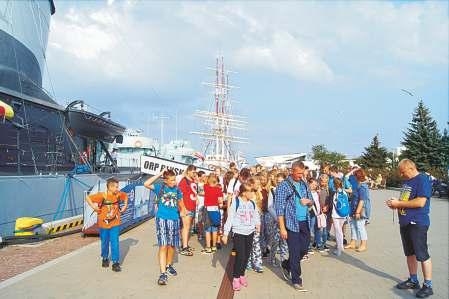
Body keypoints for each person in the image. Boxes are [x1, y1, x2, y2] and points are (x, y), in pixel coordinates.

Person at [386, 159, 434, 298]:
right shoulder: (407, 181)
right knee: (410, 253)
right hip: (405, 223)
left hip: (417, 223)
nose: (401, 175)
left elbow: (420, 202)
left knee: (422, 254)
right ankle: (413, 280)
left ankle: (428, 285)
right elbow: (406, 200)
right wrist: (395, 202)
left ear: (411, 168)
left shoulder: (422, 179)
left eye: (403, 172)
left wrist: (399, 203)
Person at [275, 161, 313, 291]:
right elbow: (279, 209)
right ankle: (296, 280)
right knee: (295, 251)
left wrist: (308, 202)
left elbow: (311, 202)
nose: (301, 176)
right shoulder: (284, 186)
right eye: (298, 173)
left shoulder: (304, 184)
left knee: (304, 249)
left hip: (304, 222)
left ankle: (286, 264)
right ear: (292, 171)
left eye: (302, 173)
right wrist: (282, 228)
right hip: (291, 223)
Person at [144, 170, 186, 285]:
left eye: (174, 179)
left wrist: (183, 211)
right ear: (165, 180)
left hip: (174, 219)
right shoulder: (160, 188)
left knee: (171, 245)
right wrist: (160, 174)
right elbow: (146, 184)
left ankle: (168, 265)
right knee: (163, 245)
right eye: (172, 180)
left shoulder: (177, 190)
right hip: (162, 219)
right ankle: (163, 274)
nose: (174, 182)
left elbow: (181, 204)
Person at [222, 183, 261, 291]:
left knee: (247, 255)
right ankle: (235, 277)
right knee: (241, 256)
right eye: (251, 191)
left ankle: (242, 274)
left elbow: (256, 214)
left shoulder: (252, 203)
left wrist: (257, 224)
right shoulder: (236, 202)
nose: (253, 194)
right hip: (238, 232)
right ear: (244, 193)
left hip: (250, 232)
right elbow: (230, 218)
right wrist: (225, 234)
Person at [85, 177, 128, 272]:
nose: (117, 189)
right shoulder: (102, 196)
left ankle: (115, 262)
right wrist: (94, 207)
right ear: (109, 187)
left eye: (118, 187)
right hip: (103, 224)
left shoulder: (118, 195)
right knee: (104, 242)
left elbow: (125, 197)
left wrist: (124, 206)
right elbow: (88, 198)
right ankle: (105, 257)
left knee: (115, 242)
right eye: (116, 187)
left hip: (115, 223)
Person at [266, 172, 289, 266]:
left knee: (284, 241)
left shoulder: (288, 191)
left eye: (282, 182)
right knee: (275, 241)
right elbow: (270, 207)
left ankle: (283, 260)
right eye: (278, 182)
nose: (280, 184)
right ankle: (272, 259)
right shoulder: (273, 191)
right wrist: (278, 219)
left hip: (286, 220)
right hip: (276, 220)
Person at [346, 168, 370, 252]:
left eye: (354, 175)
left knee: (360, 227)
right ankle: (353, 242)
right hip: (353, 207)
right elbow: (353, 193)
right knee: (353, 226)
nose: (353, 177)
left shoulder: (363, 187)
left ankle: (363, 244)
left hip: (360, 210)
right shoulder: (358, 185)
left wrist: (357, 212)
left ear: (358, 176)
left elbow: (362, 200)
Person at [178, 165, 198, 256]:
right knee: (185, 227)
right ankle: (184, 247)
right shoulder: (184, 181)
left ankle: (185, 244)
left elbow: (193, 192)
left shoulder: (192, 180)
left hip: (192, 206)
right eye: (193, 172)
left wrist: (196, 198)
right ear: (189, 171)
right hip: (187, 207)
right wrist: (183, 208)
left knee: (188, 227)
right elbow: (179, 196)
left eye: (195, 172)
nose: (195, 174)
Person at [201, 174, 223, 254]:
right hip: (215, 210)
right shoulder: (218, 190)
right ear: (216, 181)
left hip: (207, 209)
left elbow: (204, 180)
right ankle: (213, 246)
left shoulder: (206, 187)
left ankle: (208, 247)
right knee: (214, 229)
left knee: (207, 229)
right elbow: (220, 201)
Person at [246, 176, 264, 273]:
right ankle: (248, 262)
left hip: (257, 221)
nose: (259, 185)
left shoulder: (258, 193)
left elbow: (258, 209)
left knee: (256, 243)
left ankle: (257, 264)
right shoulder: (247, 194)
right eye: (257, 184)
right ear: (251, 184)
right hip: (248, 222)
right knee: (248, 243)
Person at [331, 177, 349, 256]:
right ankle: (340, 246)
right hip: (343, 214)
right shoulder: (344, 192)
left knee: (338, 232)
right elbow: (346, 204)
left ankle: (339, 249)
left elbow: (334, 205)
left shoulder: (336, 193)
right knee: (340, 231)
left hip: (335, 215)